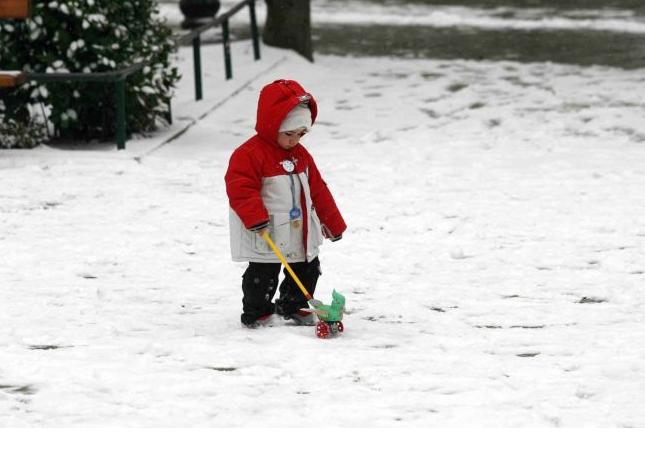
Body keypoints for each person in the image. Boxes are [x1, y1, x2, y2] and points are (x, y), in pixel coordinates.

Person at [225, 79, 346, 328]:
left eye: (300, 134)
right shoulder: (249, 154)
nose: (294, 140)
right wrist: (255, 217)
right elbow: (240, 188)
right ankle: (258, 312)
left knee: (307, 267)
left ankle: (294, 304)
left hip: (300, 228)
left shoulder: (301, 155)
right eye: (288, 134)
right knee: (263, 274)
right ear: (271, 125)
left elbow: (318, 188)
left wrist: (332, 222)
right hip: (267, 228)